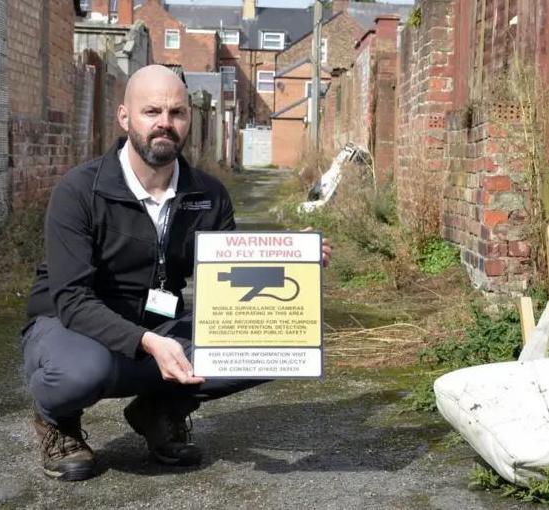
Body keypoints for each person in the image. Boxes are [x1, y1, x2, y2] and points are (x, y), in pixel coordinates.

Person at [22, 65, 331, 481]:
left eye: (177, 112)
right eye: (151, 111)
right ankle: (57, 421)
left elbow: (231, 283)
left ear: (188, 119)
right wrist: (147, 342)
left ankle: (158, 409)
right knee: (82, 372)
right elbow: (72, 300)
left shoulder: (207, 194)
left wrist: (292, 259)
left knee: (281, 340)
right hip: (72, 327)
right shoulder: (80, 191)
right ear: (124, 117)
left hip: (157, 325)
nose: (164, 123)